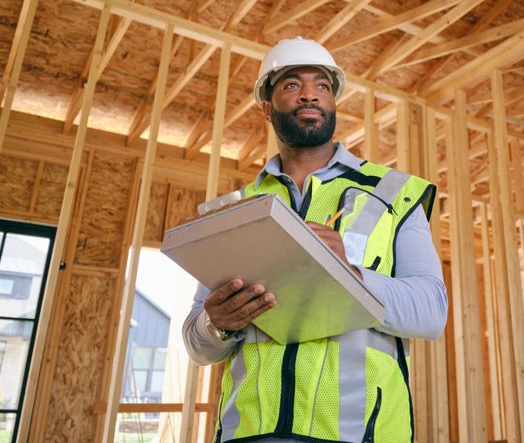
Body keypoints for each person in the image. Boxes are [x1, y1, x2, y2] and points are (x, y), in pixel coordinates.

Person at [183, 37, 447, 443]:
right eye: (291, 84)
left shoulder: (394, 194)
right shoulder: (239, 212)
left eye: (322, 85)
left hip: (361, 435)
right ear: (266, 107)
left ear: (333, 102)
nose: (309, 93)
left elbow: (431, 312)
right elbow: (198, 345)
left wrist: (351, 275)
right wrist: (217, 325)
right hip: (250, 436)